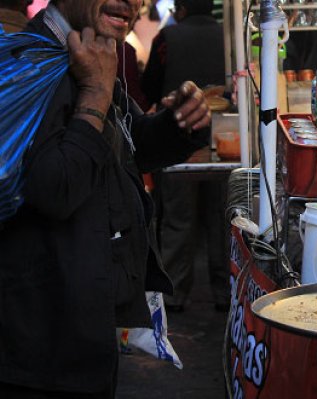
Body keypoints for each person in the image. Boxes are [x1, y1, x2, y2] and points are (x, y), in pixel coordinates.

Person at [0, 0, 212, 396]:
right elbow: (54, 188)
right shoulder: (28, 62)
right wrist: (95, 93)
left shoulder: (90, 51)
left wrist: (180, 125)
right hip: (39, 348)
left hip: (82, 333)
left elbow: (125, 151)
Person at [141, 0, 229, 313]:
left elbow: (149, 85)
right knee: (222, 219)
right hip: (224, 138)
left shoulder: (167, 38)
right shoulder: (228, 34)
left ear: (181, 10)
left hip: (178, 139)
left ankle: (174, 293)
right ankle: (225, 291)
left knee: (178, 219)